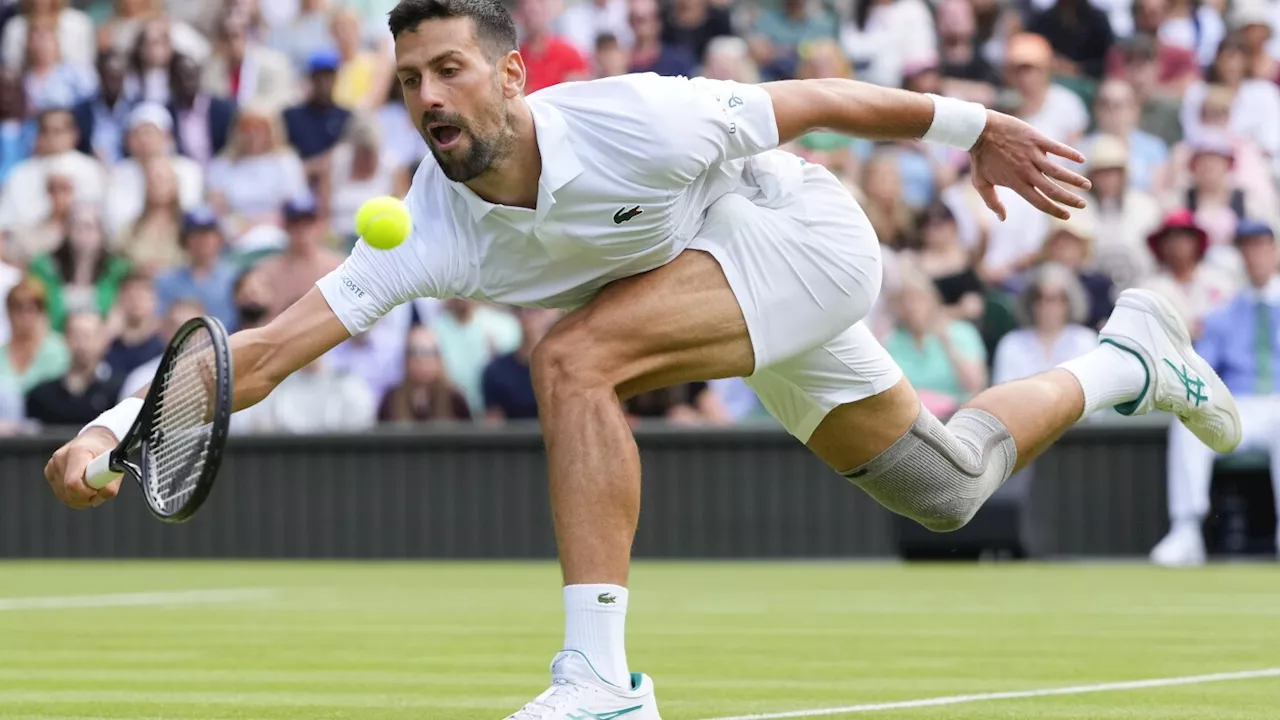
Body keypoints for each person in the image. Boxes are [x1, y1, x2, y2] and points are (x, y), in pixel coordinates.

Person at [47, 2, 1242, 718]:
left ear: (511, 72)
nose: (427, 96)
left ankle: (602, 681)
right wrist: (113, 426)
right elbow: (256, 352)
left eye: (451, 68)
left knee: (573, 359)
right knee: (945, 486)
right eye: (409, 80)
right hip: (714, 286)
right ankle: (1128, 361)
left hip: (799, 238)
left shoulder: (638, 116)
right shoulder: (435, 219)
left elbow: (815, 94)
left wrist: (976, 129)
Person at [1151, 220, 1280, 567]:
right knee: (1188, 425)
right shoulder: (1222, 315)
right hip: (1239, 405)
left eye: (1263, 247)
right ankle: (1186, 530)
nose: (1256, 256)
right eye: (1248, 249)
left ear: (1275, 252)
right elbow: (1202, 369)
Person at [25, 310, 121, 427]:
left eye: (89, 335)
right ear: (65, 338)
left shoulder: (118, 393)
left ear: (104, 340)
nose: (82, 343)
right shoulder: (42, 396)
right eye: (76, 335)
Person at [483, 306, 560, 421]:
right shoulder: (496, 371)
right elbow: (493, 425)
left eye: (535, 309)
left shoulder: (565, 367)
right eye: (518, 309)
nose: (526, 315)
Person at [102, 271, 164, 378]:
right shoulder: (108, 348)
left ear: (154, 301)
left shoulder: (161, 349)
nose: (136, 302)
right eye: (131, 296)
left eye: (141, 297)